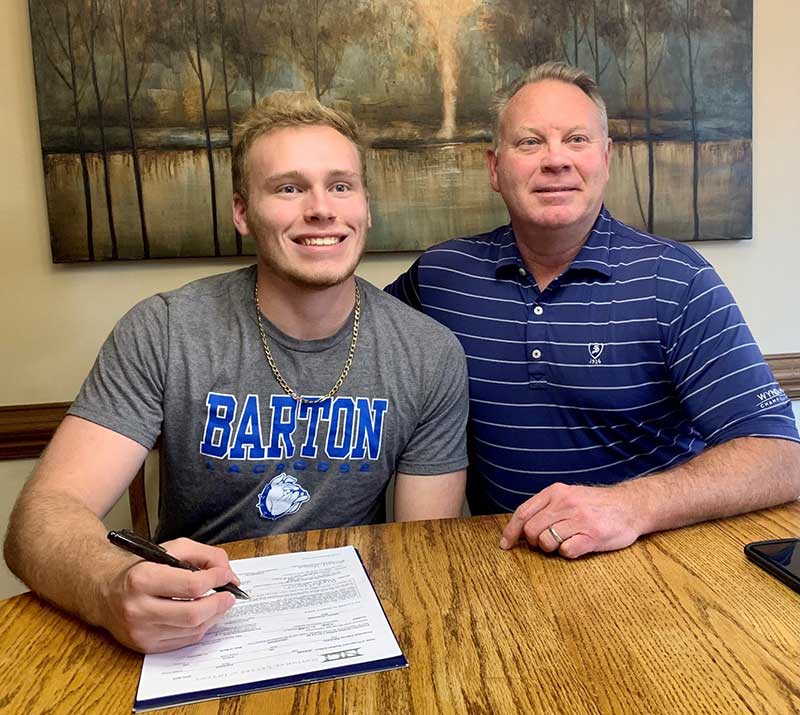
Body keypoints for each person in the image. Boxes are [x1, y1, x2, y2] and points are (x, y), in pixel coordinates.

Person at [4, 93, 469, 653]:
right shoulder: (166, 330)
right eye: (289, 188)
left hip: (343, 626)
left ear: (366, 207)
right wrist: (110, 587)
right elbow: (39, 520)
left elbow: (421, 554)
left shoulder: (429, 353)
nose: (321, 208)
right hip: (193, 626)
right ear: (243, 213)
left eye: (341, 185)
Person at [386, 61, 800, 560]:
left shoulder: (676, 280)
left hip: (655, 563)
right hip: (504, 564)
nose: (555, 159)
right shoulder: (442, 276)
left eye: (577, 139)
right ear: (494, 168)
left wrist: (630, 506)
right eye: (530, 142)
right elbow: (353, 329)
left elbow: (782, 456)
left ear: (606, 158)